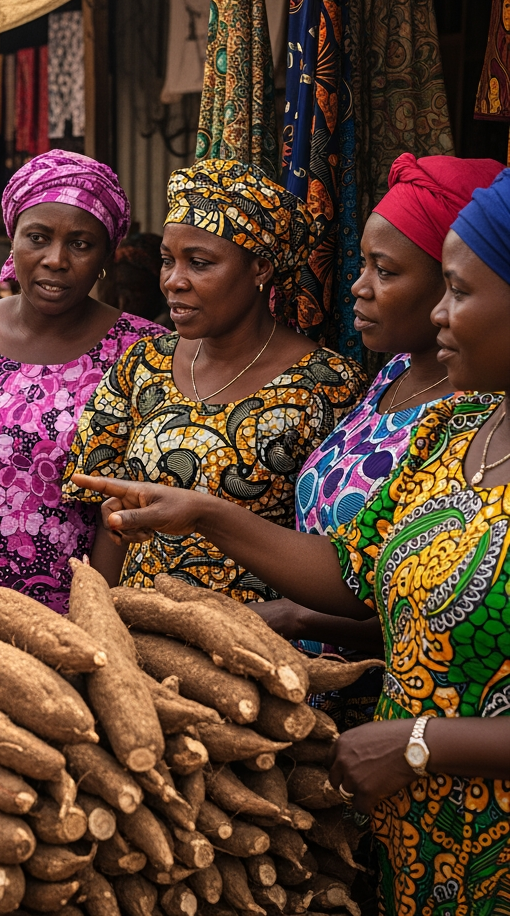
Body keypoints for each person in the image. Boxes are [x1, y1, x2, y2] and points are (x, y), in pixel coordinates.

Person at [71, 169, 510, 916]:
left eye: (458, 292)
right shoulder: (453, 433)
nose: (438, 314)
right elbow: (350, 578)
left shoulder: (333, 383)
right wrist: (206, 512)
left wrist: (420, 741)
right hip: (419, 830)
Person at [253, 155, 505, 685]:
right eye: (362, 264)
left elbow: (444, 607)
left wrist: (298, 618)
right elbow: (351, 562)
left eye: (385, 271)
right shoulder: (390, 375)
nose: (358, 287)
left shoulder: (473, 414)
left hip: (390, 705)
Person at [63, 158, 366, 599]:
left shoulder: (327, 385)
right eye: (168, 261)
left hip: (259, 643)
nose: (173, 282)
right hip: (139, 634)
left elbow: (341, 550)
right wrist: (100, 624)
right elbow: (107, 522)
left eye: (199, 263)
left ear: (260, 269)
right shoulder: (143, 365)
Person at [0, 150, 165, 615]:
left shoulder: (144, 353)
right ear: (12, 239)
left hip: (83, 627)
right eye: (37, 237)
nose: (56, 260)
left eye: (81, 244)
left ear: (105, 256)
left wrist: (95, 633)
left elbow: (131, 509)